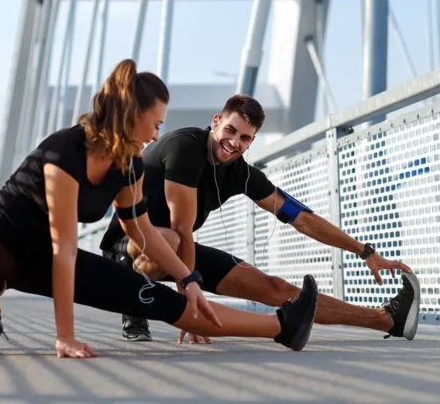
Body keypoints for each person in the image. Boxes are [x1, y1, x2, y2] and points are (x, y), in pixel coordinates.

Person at [0, 61, 319, 358]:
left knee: (159, 301)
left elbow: (141, 231)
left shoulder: (129, 166)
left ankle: (282, 327)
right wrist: (65, 336)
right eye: (156, 124)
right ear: (132, 113)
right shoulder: (65, 152)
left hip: (41, 258)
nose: (158, 136)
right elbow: (64, 249)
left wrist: (187, 280)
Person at [101, 94, 420, 344]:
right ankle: (135, 306)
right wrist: (190, 314)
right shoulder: (185, 148)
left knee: (276, 288)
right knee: (170, 239)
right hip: (128, 248)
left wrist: (365, 252)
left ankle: (387, 319)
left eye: (245, 138)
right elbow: (181, 228)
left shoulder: (241, 174)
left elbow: (302, 218)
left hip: (178, 248)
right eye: (230, 130)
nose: (234, 142)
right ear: (215, 122)